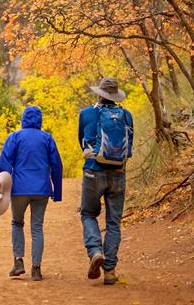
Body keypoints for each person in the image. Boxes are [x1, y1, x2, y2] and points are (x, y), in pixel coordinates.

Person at [78, 77, 133, 285]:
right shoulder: (126, 116)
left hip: (93, 171)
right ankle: (109, 271)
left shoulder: (86, 114)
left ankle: (94, 252)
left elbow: (81, 141)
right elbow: (130, 147)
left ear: (99, 93)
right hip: (118, 172)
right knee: (113, 222)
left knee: (88, 213)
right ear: (115, 95)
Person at [0, 105, 63, 281]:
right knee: (37, 228)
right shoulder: (47, 138)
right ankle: (36, 269)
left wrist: (3, 187)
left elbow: (4, 162)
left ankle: (18, 261)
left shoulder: (15, 137)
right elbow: (56, 165)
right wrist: (57, 191)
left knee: (17, 223)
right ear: (40, 120)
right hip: (41, 190)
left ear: (23, 119)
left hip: (19, 189)